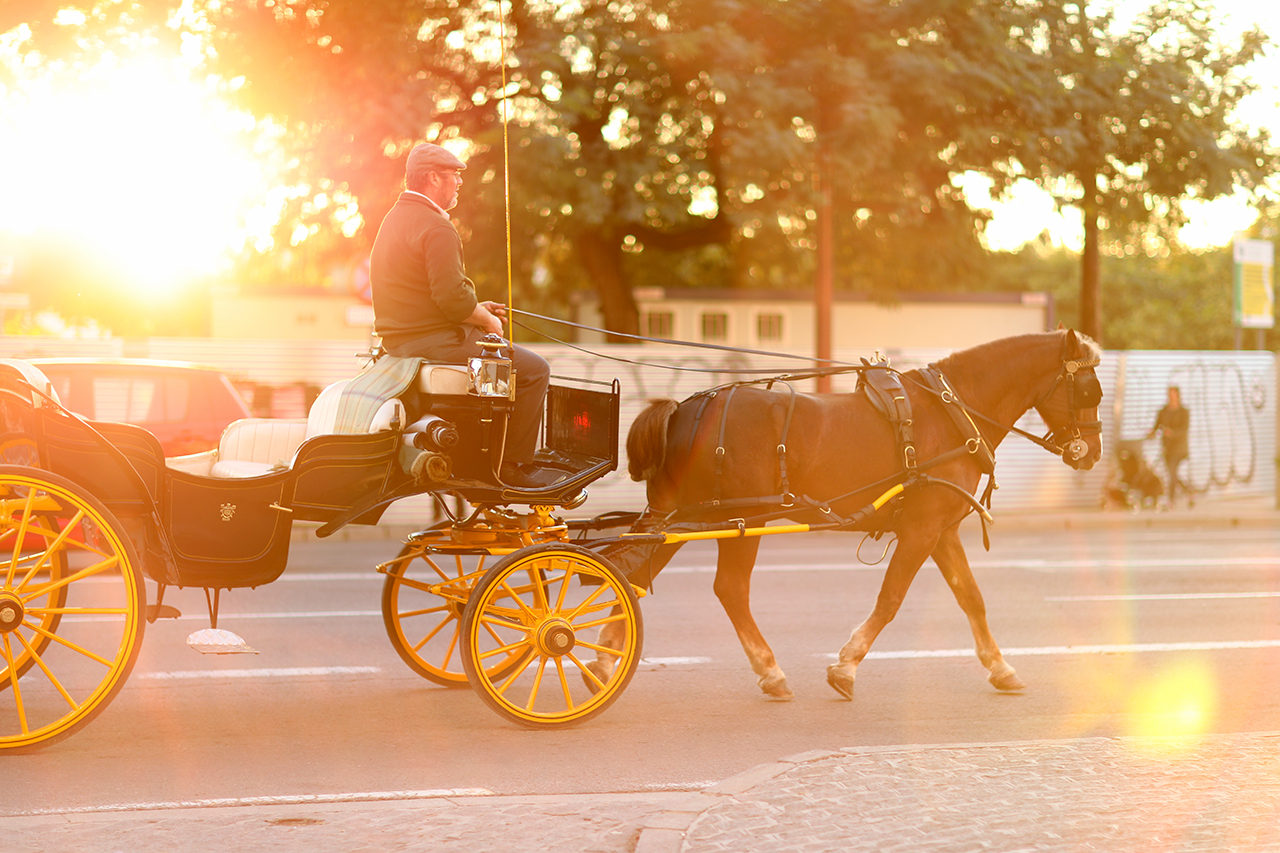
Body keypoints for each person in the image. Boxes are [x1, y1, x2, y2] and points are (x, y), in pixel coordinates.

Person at [369, 142, 558, 489]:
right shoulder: (436, 226)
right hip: (435, 344)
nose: (459, 183)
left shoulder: (394, 219)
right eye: (454, 175)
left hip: (401, 344)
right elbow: (453, 300)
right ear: (433, 178)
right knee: (534, 370)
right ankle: (512, 467)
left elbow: (426, 295)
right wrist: (486, 321)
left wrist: (474, 310)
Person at [1147, 385, 1191, 508]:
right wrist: (1151, 433)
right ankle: (1188, 491)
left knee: (1172, 473)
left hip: (1180, 448)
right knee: (1173, 474)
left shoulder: (1184, 412)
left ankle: (1171, 500)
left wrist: (1172, 433)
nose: (1171, 397)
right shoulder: (1163, 411)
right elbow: (1157, 426)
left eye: (1173, 394)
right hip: (1167, 448)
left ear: (1178, 395)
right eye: (1169, 395)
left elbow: (1184, 429)